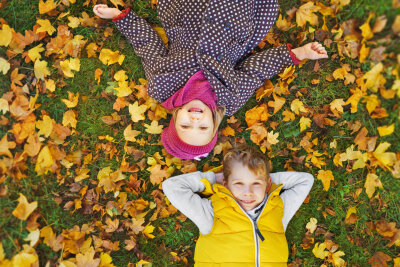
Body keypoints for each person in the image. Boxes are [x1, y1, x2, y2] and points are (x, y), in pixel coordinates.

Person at [93, 3, 328, 160]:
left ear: (174, 119)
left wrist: (121, 18)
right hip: (232, 24)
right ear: (213, 124)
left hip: (186, 15)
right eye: (202, 127)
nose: (195, 119)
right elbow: (254, 71)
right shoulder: (229, 99)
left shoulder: (162, 86)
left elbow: (147, 46)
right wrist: (298, 54)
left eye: (185, 125)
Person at [162, 145, 314, 266]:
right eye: (239, 183)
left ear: (267, 185)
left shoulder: (278, 210)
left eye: (256, 183)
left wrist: (264, 178)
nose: (248, 192)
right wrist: (214, 178)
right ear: (226, 184)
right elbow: (173, 187)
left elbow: (305, 180)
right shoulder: (212, 212)